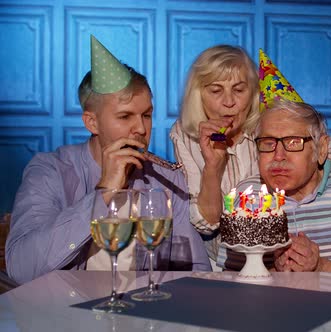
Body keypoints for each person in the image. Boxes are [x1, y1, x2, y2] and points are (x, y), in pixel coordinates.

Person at [6, 36, 211, 285]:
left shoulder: (167, 180)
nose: (140, 128)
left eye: (146, 115)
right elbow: (22, 268)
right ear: (92, 122)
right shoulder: (51, 170)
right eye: (125, 117)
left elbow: (196, 270)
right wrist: (104, 192)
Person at [170, 45, 331, 265]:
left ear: (252, 93)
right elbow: (207, 224)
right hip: (224, 260)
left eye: (239, 90)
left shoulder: (269, 124)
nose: (229, 101)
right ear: (199, 94)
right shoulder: (185, 136)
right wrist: (213, 166)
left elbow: (318, 149)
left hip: (290, 249)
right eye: (216, 91)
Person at [218, 100, 331, 272]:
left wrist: (321, 267)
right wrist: (277, 271)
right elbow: (230, 275)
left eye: (294, 142)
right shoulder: (248, 197)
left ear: (321, 149)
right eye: (268, 143)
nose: (279, 156)